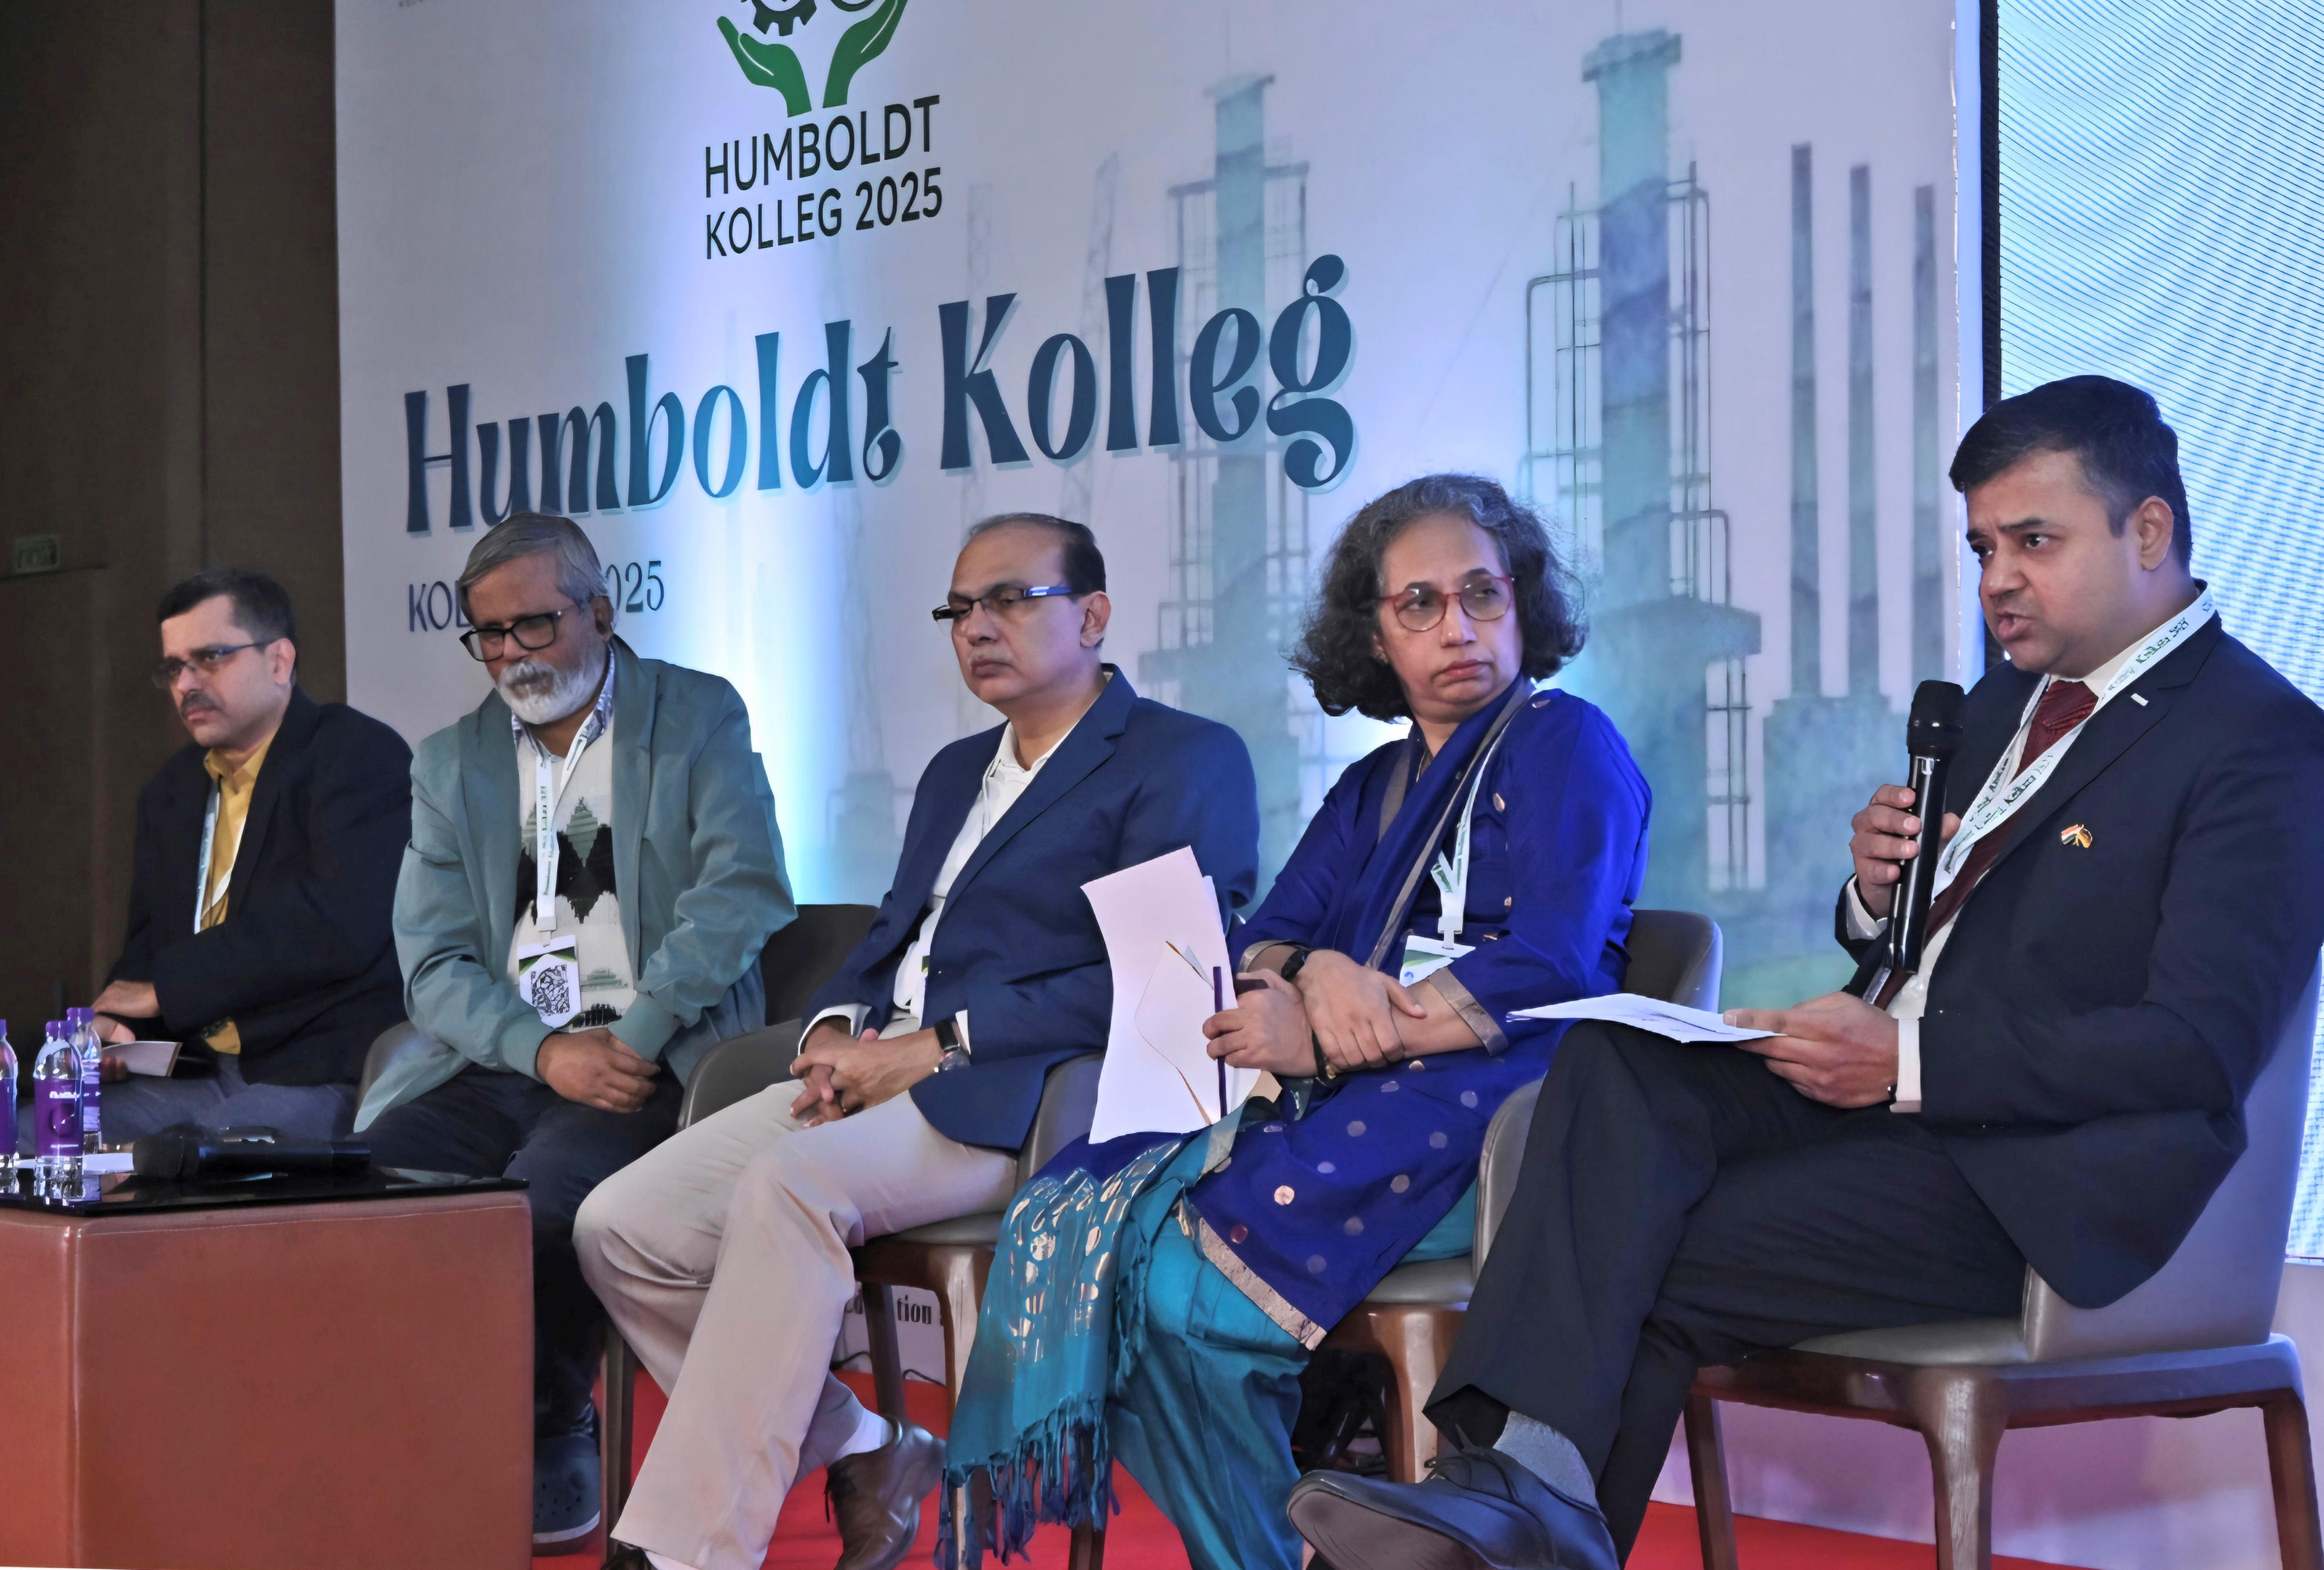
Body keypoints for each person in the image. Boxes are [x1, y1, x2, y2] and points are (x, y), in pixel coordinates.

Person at [1287, 378, 2324, 1570]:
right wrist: (1873, 898)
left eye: (2031, 541)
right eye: (1982, 545)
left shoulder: (2259, 744)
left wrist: (1910, 1060)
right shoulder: (2000, 704)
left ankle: (1497, 1505)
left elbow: (2191, 1045)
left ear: (2146, 531)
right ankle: (1510, 1500)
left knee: (1634, 1249)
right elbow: (1922, 959)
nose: (1994, 578)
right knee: (1621, 1059)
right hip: (1895, 1115)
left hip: (2042, 1177)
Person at [937, 474, 1651, 1570]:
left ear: (1525, 603)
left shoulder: (1567, 740)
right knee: (1090, 1246)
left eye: (1481, 595)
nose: (1457, 627)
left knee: (1179, 1300)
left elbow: (1551, 959)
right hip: (1355, 1095)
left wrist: (1337, 1030)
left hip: (1503, 1097)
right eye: (1419, 604)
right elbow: (1265, 937)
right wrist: (1315, 977)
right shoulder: (1371, 784)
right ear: (1374, 632)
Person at [575, 512, 1261, 1570]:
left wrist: (940, 1043)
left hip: (1017, 1092)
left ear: (1094, 613)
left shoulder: (1180, 759)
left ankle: (683, 1549)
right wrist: (838, 1024)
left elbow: (1157, 982)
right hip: (876, 1067)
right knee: (620, 1224)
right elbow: (895, 933)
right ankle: (872, 1443)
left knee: (789, 1188)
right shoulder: (953, 770)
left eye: (1009, 600)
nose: (977, 626)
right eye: (959, 608)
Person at [358, 512, 794, 1550]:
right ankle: (412, 1432)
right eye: (488, 635)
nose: (510, 654)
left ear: (601, 610)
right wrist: (542, 1049)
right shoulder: (449, 760)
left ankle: (557, 1420)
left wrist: (632, 1034)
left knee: (549, 1197)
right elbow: (432, 960)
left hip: (656, 1054)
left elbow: (741, 892)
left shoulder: (695, 715)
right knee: (369, 1187)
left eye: (535, 626)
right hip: (506, 1054)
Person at [83, 566, 410, 1143]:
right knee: (31, 1137)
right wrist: (115, 1028)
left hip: (314, 1069)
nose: (186, 684)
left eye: (209, 658)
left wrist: (170, 988)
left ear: (279, 661)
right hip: (194, 1072)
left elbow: (336, 925)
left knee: (192, 1167)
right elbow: (147, 948)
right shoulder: (170, 791)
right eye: (173, 668)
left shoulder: (354, 755)